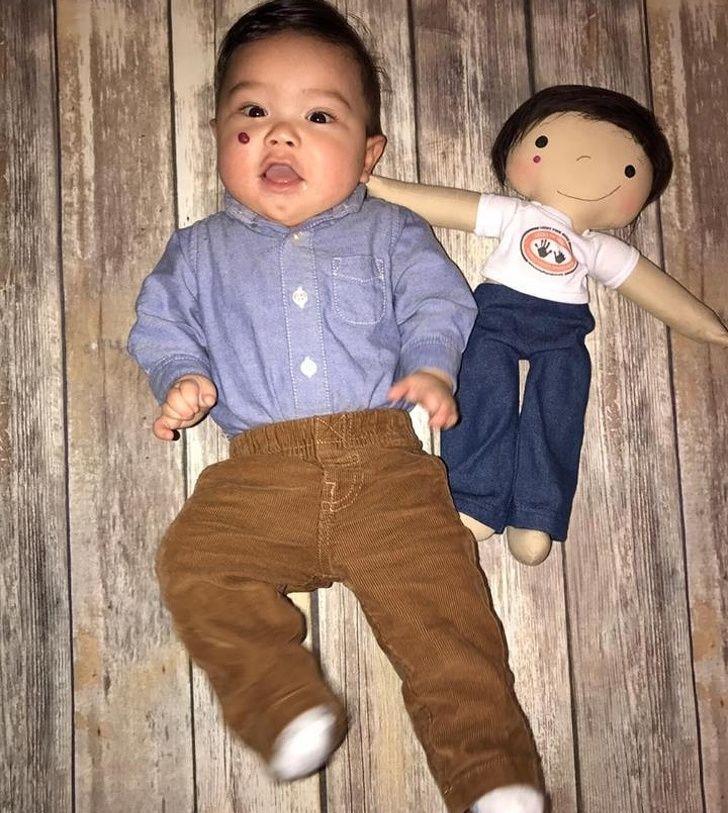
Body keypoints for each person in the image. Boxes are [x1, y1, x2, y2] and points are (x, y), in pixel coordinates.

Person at [127, 2, 544, 811]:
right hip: (260, 475)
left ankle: (492, 778)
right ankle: (283, 702)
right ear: (217, 136)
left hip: (386, 469)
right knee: (192, 561)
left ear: (367, 152)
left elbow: (438, 303)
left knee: (449, 627)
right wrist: (181, 375)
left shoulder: (391, 231)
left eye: (318, 116)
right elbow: (161, 325)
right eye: (253, 113)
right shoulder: (198, 250)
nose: (280, 135)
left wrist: (432, 368)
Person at [368, 84, 728, 567]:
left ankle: (536, 513)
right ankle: (474, 497)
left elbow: (655, 290)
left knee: (559, 410)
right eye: (545, 143)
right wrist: (381, 187)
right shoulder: (515, 214)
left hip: (562, 334)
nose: (585, 163)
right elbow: (445, 204)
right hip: (493, 319)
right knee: (480, 389)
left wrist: (711, 329)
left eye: (627, 170)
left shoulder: (599, 249)